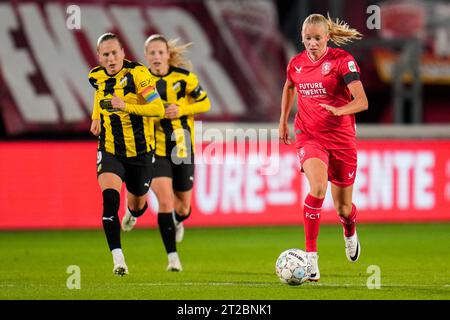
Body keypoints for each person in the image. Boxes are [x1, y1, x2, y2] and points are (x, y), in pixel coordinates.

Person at [279, 14, 368, 282]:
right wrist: (283, 120)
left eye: (317, 38)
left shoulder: (342, 61)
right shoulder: (296, 64)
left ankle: (349, 228)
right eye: (307, 38)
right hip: (309, 135)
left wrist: (339, 110)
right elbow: (289, 86)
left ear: (327, 38)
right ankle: (310, 258)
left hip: (341, 139)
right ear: (302, 37)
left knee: (343, 208)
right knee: (317, 188)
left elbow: (362, 101)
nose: (312, 43)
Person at [121, 34, 211, 272]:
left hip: (182, 148)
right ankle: (173, 258)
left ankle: (178, 222)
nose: (157, 57)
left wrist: (183, 108)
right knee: (165, 201)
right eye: (152, 53)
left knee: (182, 209)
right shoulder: (141, 80)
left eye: (161, 52)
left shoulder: (184, 78)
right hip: (155, 148)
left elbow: (205, 103)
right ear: (146, 56)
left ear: (168, 55)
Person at [89, 33, 165, 276]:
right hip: (110, 149)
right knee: (110, 201)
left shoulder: (138, 74)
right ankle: (118, 259)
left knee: (138, 204)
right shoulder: (95, 76)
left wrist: (126, 106)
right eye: (105, 54)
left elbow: (158, 108)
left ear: (123, 52)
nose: (111, 59)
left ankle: (132, 215)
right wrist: (96, 117)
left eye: (114, 53)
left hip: (141, 153)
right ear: (99, 57)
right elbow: (100, 94)